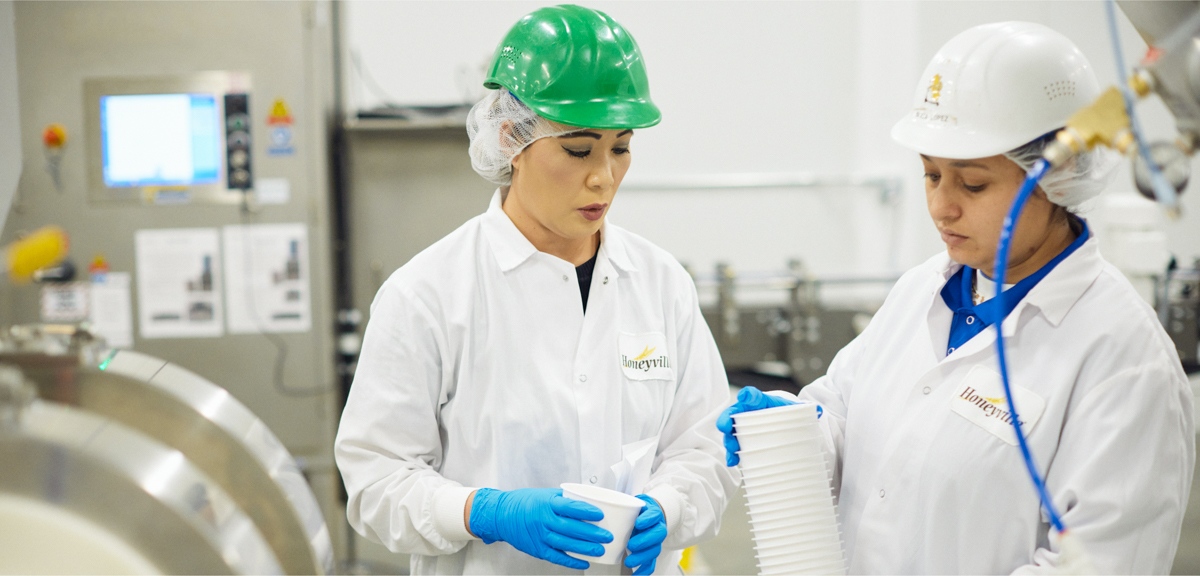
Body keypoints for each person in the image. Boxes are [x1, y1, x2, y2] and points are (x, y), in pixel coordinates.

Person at [718, 21, 1194, 574]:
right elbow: (845, 422)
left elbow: (1098, 564)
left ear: (1057, 177)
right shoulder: (922, 290)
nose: (942, 207)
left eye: (972, 185)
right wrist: (793, 431)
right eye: (930, 175)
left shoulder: (1125, 360)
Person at [335, 5, 737, 575]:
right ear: (511, 139)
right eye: (578, 150)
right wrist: (482, 511)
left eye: (620, 147)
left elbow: (704, 451)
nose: (604, 175)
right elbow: (376, 484)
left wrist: (668, 507)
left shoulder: (661, 283)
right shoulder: (428, 295)